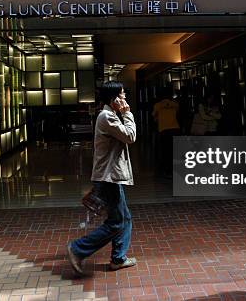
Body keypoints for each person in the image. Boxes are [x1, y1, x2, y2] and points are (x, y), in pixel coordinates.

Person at [67, 81, 137, 275]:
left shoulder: (110, 115)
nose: (124, 99)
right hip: (109, 177)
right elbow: (130, 136)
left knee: (125, 218)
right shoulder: (107, 117)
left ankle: (118, 258)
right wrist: (127, 114)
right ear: (113, 98)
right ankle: (78, 248)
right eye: (122, 95)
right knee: (116, 221)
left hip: (111, 176)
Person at [152, 87, 180, 177]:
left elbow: (154, 116)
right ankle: (173, 170)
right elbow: (178, 112)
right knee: (173, 150)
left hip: (164, 129)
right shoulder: (175, 104)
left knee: (164, 151)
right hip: (175, 128)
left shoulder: (158, 105)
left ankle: (165, 170)